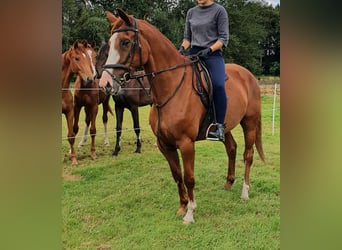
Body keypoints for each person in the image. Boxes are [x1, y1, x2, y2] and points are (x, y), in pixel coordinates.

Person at [179, 0, 229, 142]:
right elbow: (187, 38)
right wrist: (182, 49)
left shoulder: (219, 11)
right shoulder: (191, 12)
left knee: (218, 84)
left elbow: (223, 38)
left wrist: (209, 50)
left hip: (213, 55)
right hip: (194, 54)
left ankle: (219, 127)